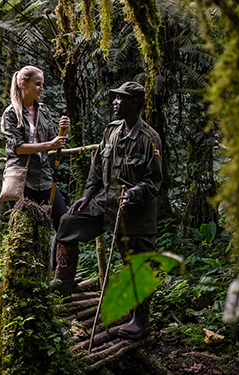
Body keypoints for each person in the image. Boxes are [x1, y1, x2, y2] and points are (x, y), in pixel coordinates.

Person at [52, 81, 163, 340]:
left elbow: (154, 181)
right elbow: (96, 168)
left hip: (134, 212)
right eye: (114, 98)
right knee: (68, 223)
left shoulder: (150, 138)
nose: (114, 102)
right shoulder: (111, 131)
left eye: (120, 98)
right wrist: (87, 195)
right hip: (105, 202)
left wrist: (134, 193)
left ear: (134, 103)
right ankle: (62, 292)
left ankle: (141, 321)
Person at [1, 66, 70, 233]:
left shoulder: (43, 111)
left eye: (42, 84)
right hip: (21, 181)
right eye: (37, 84)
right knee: (26, 234)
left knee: (65, 225)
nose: (42, 88)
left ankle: (56, 253)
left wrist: (64, 131)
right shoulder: (11, 114)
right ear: (23, 84)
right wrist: (50, 145)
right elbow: (18, 148)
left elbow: (54, 140)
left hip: (44, 177)